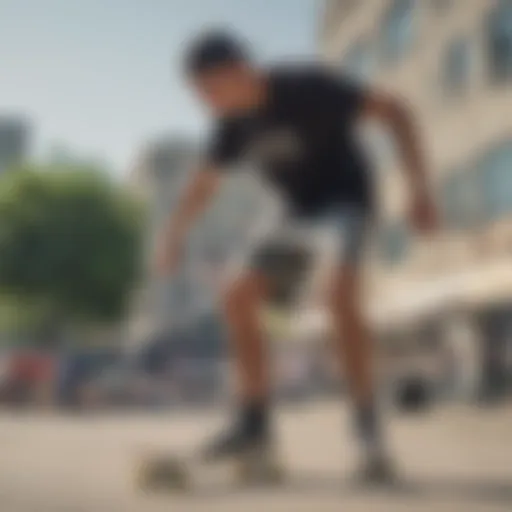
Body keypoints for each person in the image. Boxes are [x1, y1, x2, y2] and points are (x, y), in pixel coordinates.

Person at [154, 30, 438, 482]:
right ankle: (255, 426)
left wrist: (419, 188)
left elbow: (396, 111)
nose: (205, 103)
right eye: (198, 95)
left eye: (207, 90)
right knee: (237, 297)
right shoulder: (232, 125)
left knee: (339, 295)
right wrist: (172, 237)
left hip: (345, 200)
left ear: (236, 71)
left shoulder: (308, 87)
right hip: (296, 215)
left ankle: (367, 429)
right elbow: (203, 185)